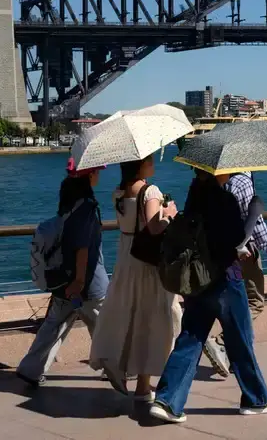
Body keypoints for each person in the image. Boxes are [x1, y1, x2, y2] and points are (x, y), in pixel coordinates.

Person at [148, 169, 267, 424]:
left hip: (198, 279)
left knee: (191, 338)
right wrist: (245, 245)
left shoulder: (195, 193)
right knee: (240, 339)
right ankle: (257, 399)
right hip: (225, 279)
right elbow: (234, 240)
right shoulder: (226, 199)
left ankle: (167, 400)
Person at [88, 155, 181, 402]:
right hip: (148, 263)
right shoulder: (150, 191)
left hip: (126, 258)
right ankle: (144, 384)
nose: (153, 164)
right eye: (149, 160)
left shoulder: (119, 192)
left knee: (129, 314)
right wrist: (169, 212)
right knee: (153, 317)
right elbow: (154, 227)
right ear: (140, 165)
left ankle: (128, 372)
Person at [16, 159, 108, 387]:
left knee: (54, 325)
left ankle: (31, 369)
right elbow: (82, 247)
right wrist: (78, 280)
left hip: (63, 278)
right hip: (87, 282)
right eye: (97, 171)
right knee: (105, 326)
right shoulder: (86, 206)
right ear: (90, 176)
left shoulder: (68, 197)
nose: (99, 175)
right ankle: (117, 369)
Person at [202, 171, 267, 377]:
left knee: (231, 299)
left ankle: (233, 354)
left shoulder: (219, 178)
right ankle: (221, 342)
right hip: (245, 249)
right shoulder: (242, 181)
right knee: (254, 302)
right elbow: (254, 220)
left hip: (220, 249)